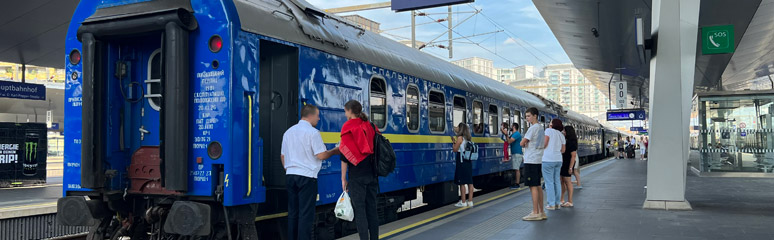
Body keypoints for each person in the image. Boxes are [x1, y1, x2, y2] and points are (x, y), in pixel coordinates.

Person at [281, 104, 340, 240]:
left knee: (293, 213)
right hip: (307, 177)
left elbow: (283, 156)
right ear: (311, 115)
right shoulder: (313, 133)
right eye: (318, 116)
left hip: (290, 175)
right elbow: (321, 155)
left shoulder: (288, 132)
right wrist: (335, 151)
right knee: (306, 214)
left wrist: (289, 168)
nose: (318, 119)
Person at [339, 100, 379, 240]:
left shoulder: (348, 127)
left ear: (350, 111)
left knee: (360, 211)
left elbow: (344, 155)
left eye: (345, 111)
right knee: (372, 209)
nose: (345, 114)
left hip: (357, 176)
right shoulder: (370, 125)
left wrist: (344, 178)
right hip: (372, 174)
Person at [520, 107, 546, 221]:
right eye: (526, 116)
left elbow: (522, 142)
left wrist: (524, 143)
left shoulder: (532, 128)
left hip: (531, 159)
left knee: (533, 186)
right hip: (538, 159)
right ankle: (541, 211)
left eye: (529, 116)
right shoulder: (541, 128)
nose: (527, 118)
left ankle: (535, 212)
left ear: (535, 116)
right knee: (538, 185)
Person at [542, 119, 566, 211]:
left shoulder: (548, 131)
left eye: (550, 122)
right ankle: (557, 203)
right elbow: (563, 150)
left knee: (549, 182)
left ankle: (551, 204)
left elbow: (544, 143)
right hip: (558, 160)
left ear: (552, 124)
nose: (549, 123)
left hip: (548, 159)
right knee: (557, 181)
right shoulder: (561, 135)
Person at [453, 122, 475, 208]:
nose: (457, 128)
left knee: (461, 182)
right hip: (468, 161)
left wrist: (453, 143)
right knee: (470, 182)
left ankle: (463, 202)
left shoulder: (460, 138)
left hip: (461, 161)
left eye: (458, 127)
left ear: (461, 129)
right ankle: (470, 201)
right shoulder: (468, 138)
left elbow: (455, 149)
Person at [560, 126, 577, 207]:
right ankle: (562, 199)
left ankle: (570, 201)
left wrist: (571, 167)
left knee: (568, 182)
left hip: (567, 163)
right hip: (563, 163)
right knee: (562, 181)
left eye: (564, 131)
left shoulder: (572, 142)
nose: (563, 132)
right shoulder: (566, 140)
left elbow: (573, 155)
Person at [502, 122, 523, 189]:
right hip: (515, 153)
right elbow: (506, 140)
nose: (510, 127)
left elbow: (509, 141)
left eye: (511, 126)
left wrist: (506, 134)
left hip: (517, 153)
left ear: (514, 127)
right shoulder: (513, 134)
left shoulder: (517, 134)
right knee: (516, 169)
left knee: (517, 169)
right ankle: (516, 183)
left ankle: (517, 184)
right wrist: (504, 133)